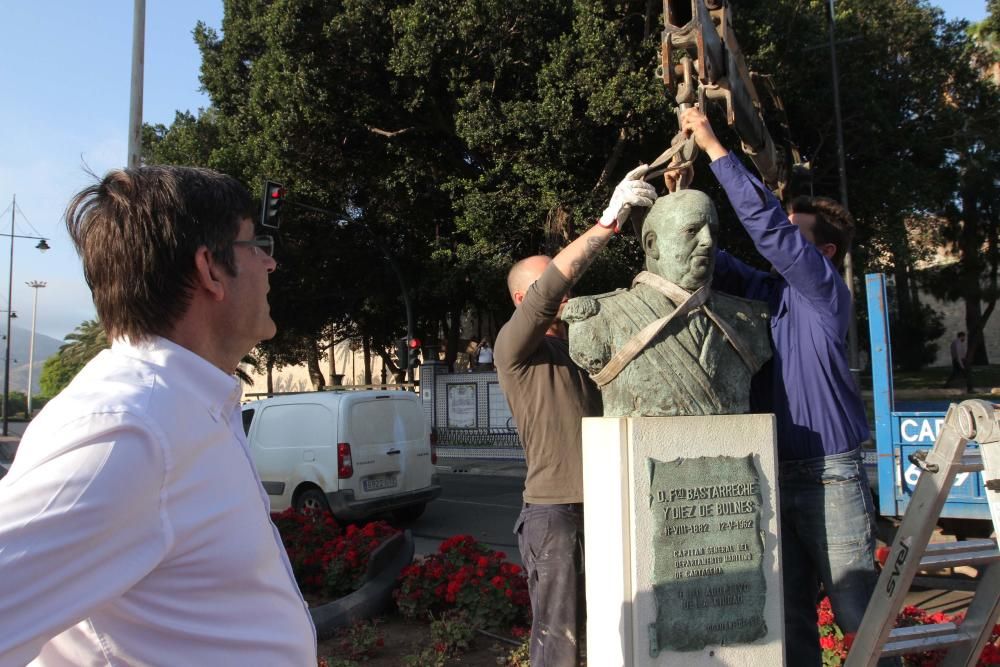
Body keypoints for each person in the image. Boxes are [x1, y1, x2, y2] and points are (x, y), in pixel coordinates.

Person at [0, 166, 316, 665]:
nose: (268, 264)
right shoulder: (130, 427)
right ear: (210, 269)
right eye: (255, 245)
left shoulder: (184, 405)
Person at [680, 107, 892, 666]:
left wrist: (713, 146)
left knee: (854, 610)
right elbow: (713, 263)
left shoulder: (822, 292)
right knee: (790, 610)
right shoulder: (772, 296)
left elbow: (769, 230)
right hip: (776, 470)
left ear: (823, 255)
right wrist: (673, 201)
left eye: (795, 241)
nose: (780, 248)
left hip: (830, 473)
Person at [495, 165, 657, 667]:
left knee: (619, 629)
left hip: (608, 506)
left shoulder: (582, 348)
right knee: (560, 641)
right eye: (550, 286)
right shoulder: (514, 348)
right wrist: (607, 223)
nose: (565, 294)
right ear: (525, 300)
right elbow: (550, 291)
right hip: (554, 513)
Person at [562, 188, 771, 417]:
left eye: (713, 231)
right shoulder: (602, 318)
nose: (708, 241)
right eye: (692, 231)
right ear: (652, 244)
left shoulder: (746, 320)